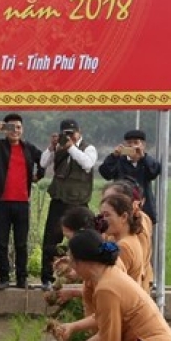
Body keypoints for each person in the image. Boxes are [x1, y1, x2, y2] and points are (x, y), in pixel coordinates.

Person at [0, 114, 44, 290]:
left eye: (18, 127)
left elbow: (44, 159)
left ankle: (22, 278)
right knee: (2, 242)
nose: (15, 131)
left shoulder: (29, 148)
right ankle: (3, 277)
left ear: (22, 129)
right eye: (11, 127)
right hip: (2, 201)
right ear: (5, 130)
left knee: (21, 243)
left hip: (22, 202)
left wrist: (39, 175)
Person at [40, 119, 98, 291]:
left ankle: (83, 275)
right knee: (51, 239)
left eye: (72, 133)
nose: (69, 136)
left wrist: (70, 147)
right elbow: (43, 163)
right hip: (59, 200)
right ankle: (47, 278)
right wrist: (52, 147)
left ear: (79, 132)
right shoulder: (59, 148)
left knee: (83, 239)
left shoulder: (88, 148)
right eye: (65, 133)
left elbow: (87, 163)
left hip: (79, 202)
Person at [98, 129, 161, 223]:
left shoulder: (147, 161)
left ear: (143, 145)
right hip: (121, 208)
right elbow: (105, 173)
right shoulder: (119, 161)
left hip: (143, 208)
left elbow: (154, 172)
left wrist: (143, 156)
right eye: (129, 143)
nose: (132, 145)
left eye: (136, 142)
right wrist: (113, 156)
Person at [103, 180, 154, 292]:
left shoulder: (126, 243)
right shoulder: (115, 231)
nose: (106, 204)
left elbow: (109, 279)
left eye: (112, 200)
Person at [99, 194, 146, 292]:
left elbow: (109, 283)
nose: (103, 220)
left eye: (107, 215)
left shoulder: (124, 246)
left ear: (124, 217)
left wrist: (73, 292)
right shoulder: (123, 239)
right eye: (101, 215)